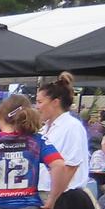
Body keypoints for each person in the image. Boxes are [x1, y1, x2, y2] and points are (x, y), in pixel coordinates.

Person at [36, 73, 94, 201]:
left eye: (40, 102)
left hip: (63, 196)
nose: (37, 107)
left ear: (55, 102)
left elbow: (71, 167)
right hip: (45, 193)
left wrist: (52, 200)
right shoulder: (45, 128)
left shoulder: (72, 127)